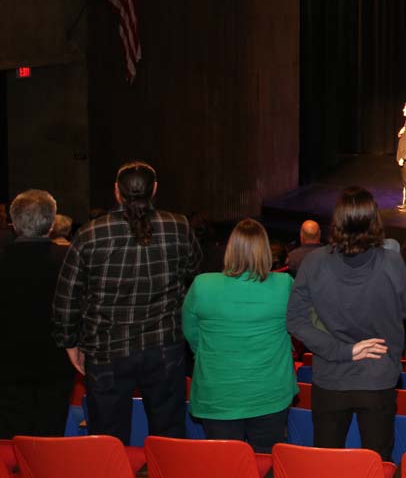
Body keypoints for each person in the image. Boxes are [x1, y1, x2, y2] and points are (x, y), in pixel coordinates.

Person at [52, 161, 202, 443]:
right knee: (169, 438)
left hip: (107, 349)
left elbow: (67, 296)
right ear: (155, 190)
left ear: (117, 192)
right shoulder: (178, 227)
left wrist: (69, 341)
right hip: (164, 347)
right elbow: (194, 277)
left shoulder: (89, 234)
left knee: (108, 441)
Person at [286, 186, 406, 460]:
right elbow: (405, 310)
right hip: (373, 378)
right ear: (374, 221)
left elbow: (295, 320)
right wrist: (349, 349)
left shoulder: (313, 263)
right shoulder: (391, 261)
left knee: (328, 463)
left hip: (333, 379)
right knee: (376, 462)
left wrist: (342, 349)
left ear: (337, 221)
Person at [184, 219, 296, 452]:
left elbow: (192, 335)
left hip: (218, 395)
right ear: (265, 251)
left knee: (225, 467)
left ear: (230, 249)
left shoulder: (202, 285)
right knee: (265, 465)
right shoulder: (284, 285)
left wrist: (213, 355)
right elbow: (299, 328)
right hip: (270, 394)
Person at [0, 190, 74, 438]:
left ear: (14, 222)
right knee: (48, 444)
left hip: (7, 366)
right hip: (56, 364)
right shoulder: (69, 260)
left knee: (9, 447)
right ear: (52, 223)